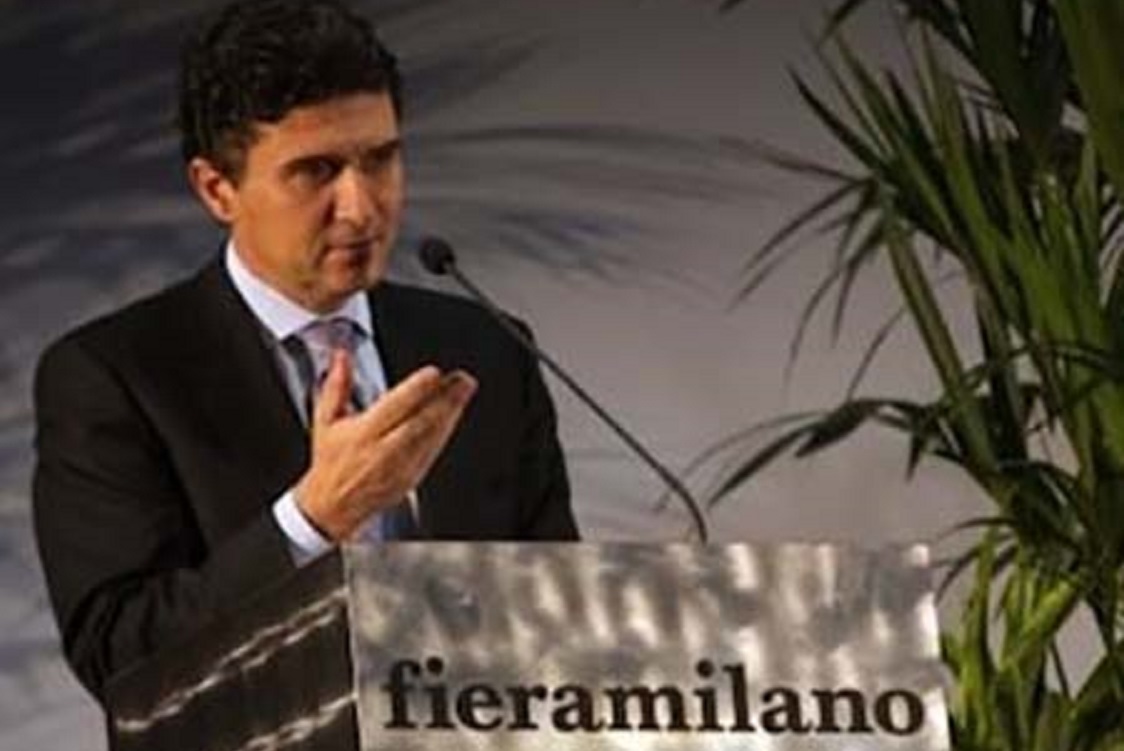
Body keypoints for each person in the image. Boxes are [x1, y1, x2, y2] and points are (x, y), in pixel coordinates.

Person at [32, 0, 578, 703]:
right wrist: (312, 519)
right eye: (315, 171)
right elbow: (123, 657)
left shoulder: (485, 347)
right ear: (217, 189)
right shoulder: (116, 376)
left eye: (380, 159)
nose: (361, 206)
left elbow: (561, 608)